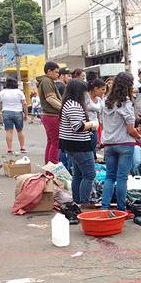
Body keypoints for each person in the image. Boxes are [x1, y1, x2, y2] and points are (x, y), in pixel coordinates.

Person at [100, 72, 141, 211]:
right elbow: (131, 129)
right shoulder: (125, 103)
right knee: (122, 178)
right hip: (125, 144)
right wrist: (140, 137)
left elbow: (102, 124)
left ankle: (105, 207)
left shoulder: (106, 102)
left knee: (109, 177)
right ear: (128, 86)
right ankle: (121, 209)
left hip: (109, 144)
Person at [59, 79, 98, 208]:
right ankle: (84, 202)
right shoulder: (74, 106)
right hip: (78, 144)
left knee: (78, 174)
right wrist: (92, 124)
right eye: (84, 92)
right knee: (89, 174)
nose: (86, 94)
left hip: (72, 144)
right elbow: (78, 127)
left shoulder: (68, 103)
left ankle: (77, 201)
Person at [37, 62, 64, 163]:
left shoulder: (46, 81)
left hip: (48, 116)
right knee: (56, 142)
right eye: (56, 72)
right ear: (49, 71)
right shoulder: (47, 81)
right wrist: (64, 109)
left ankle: (49, 166)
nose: (58, 74)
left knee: (51, 141)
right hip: (51, 116)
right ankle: (53, 166)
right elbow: (50, 98)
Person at [0, 79, 27, 154]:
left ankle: (10, 149)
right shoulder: (19, 92)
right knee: (20, 131)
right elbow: (24, 104)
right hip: (18, 112)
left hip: (6, 112)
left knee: (9, 131)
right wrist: (26, 114)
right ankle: (22, 147)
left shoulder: (2, 92)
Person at [85, 78, 106, 160]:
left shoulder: (100, 100)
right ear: (96, 89)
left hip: (95, 128)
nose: (104, 91)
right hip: (85, 128)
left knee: (93, 149)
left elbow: (100, 116)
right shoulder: (85, 97)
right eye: (102, 89)